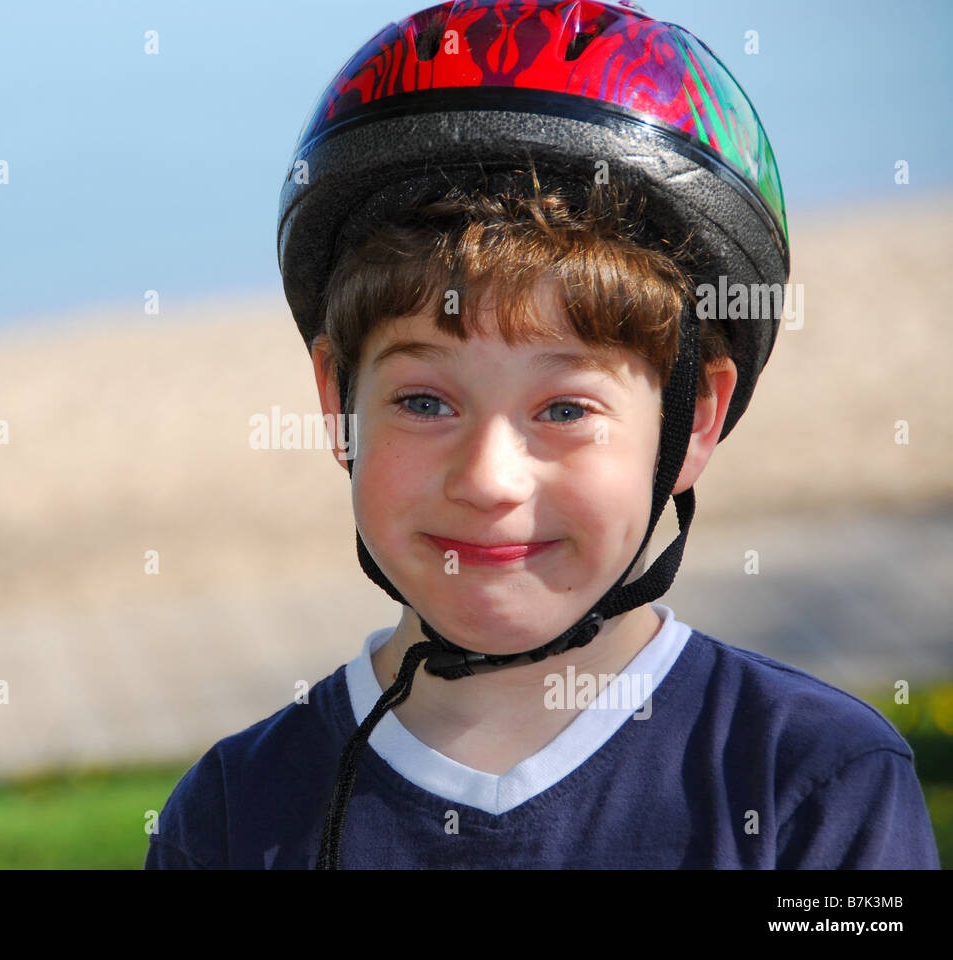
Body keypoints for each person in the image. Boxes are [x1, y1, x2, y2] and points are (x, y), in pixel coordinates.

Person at [145, 0, 941, 869]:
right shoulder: (231, 817)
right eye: (423, 401)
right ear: (339, 400)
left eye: (564, 410)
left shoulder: (810, 781)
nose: (489, 480)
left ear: (695, 422)